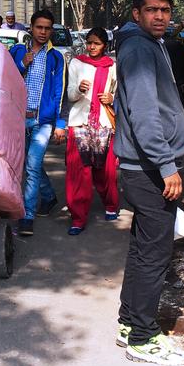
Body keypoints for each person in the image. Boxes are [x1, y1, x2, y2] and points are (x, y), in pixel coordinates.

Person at [114, 0, 184, 366]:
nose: (160, 16)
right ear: (136, 13)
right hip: (147, 169)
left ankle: (129, 323)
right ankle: (143, 338)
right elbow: (145, 114)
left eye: (165, 10)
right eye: (152, 10)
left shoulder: (149, 43)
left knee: (143, 248)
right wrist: (167, 167)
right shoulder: (140, 49)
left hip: (142, 167)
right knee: (155, 254)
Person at [9, 9, 67, 236]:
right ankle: (50, 196)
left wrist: (60, 124)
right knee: (28, 164)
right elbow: (6, 80)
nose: (43, 32)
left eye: (47, 28)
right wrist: (22, 64)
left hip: (43, 122)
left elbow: (59, 92)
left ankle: (27, 216)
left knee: (32, 165)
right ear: (30, 28)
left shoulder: (56, 57)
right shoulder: (16, 51)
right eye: (39, 27)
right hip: (17, 120)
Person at [65, 27, 119, 235]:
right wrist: (79, 90)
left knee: (105, 171)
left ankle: (111, 204)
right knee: (79, 173)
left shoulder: (112, 65)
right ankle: (77, 218)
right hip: (80, 123)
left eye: (96, 43)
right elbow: (70, 95)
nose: (92, 47)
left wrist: (111, 98)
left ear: (104, 45)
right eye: (89, 42)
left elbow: (117, 92)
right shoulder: (77, 63)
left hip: (103, 123)